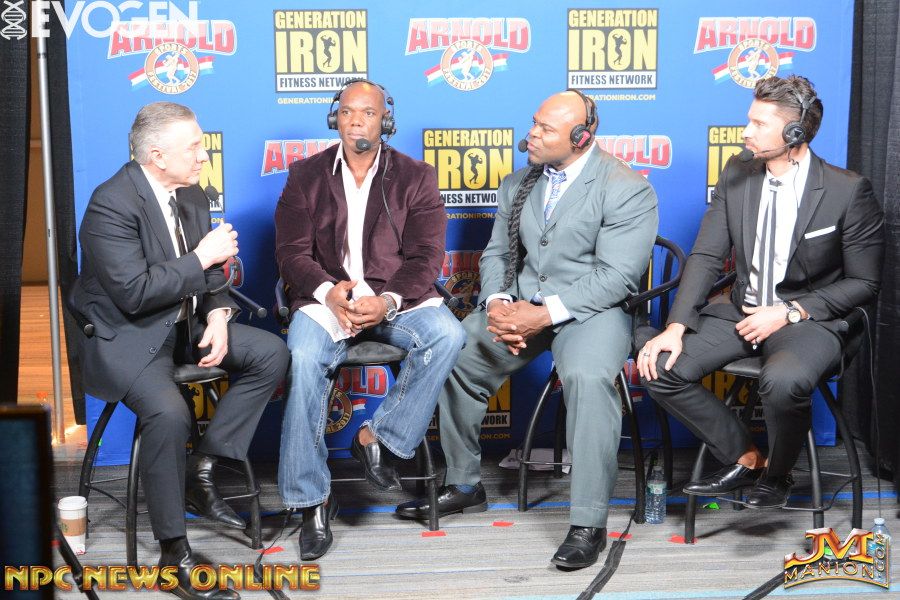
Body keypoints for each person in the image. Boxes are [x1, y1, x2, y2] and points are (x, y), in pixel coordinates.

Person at [396, 90, 659, 570]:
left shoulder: (626, 187)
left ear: (581, 138)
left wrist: (542, 314)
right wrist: (498, 303)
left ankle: (588, 523)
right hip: (522, 306)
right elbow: (497, 253)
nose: (531, 135)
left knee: (587, 378)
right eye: (534, 123)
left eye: (545, 129)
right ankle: (464, 483)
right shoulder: (519, 183)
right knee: (455, 351)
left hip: (593, 311)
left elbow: (617, 277)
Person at [73, 102, 289, 600]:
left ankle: (202, 469)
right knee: (169, 413)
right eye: (193, 147)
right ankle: (174, 554)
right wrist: (202, 256)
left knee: (271, 354)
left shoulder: (191, 195)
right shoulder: (110, 204)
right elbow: (134, 293)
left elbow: (209, 279)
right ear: (156, 155)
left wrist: (217, 315)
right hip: (131, 335)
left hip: (185, 325)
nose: (203, 156)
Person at [638, 75, 884, 509]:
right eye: (748, 120)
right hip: (741, 311)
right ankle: (748, 458)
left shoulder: (846, 190)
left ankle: (779, 476)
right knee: (658, 366)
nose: (745, 131)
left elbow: (864, 283)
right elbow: (706, 255)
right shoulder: (738, 172)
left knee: (784, 380)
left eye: (759, 123)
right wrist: (675, 327)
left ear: (795, 132)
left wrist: (789, 312)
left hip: (807, 320)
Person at [274, 79, 466, 561]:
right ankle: (312, 502)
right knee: (303, 356)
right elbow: (291, 254)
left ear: (386, 121)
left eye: (368, 113)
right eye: (347, 112)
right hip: (326, 299)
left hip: (395, 299)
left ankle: (377, 437)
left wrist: (388, 301)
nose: (356, 120)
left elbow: (426, 256)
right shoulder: (304, 176)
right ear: (334, 118)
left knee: (447, 334)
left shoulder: (416, 176)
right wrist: (328, 291)